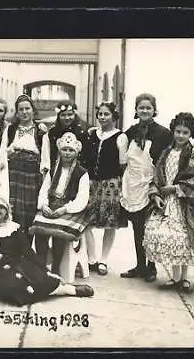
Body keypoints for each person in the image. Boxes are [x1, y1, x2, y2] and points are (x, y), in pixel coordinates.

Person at [120, 93, 194, 282]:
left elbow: (180, 146)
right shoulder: (131, 131)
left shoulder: (164, 133)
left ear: (154, 110)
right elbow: (120, 146)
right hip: (134, 185)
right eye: (141, 107)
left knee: (151, 226)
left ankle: (151, 267)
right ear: (136, 110)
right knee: (137, 226)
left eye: (148, 108)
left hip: (155, 184)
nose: (145, 111)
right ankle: (140, 265)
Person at [142, 113, 194, 293]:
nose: (181, 136)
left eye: (185, 133)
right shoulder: (166, 153)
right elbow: (157, 176)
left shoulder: (192, 154)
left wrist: (175, 188)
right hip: (166, 202)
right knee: (170, 236)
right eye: (178, 132)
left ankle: (185, 278)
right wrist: (156, 194)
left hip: (185, 201)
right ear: (173, 132)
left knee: (186, 237)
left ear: (191, 135)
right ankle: (174, 277)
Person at [0, 195, 94, 307]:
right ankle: (48, 292)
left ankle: (69, 290)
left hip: (19, 265)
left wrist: (46, 270)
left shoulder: (14, 228)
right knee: (10, 288)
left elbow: (28, 252)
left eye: (0, 207)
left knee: (43, 280)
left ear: (6, 210)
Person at [29, 132, 92, 274]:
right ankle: (41, 265)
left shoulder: (82, 173)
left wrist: (65, 209)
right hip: (51, 204)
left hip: (71, 208)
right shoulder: (53, 170)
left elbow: (82, 198)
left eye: (71, 150)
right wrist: (44, 205)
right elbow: (44, 190)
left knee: (58, 230)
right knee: (39, 226)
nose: (67, 153)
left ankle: (56, 267)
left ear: (76, 152)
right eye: (64, 149)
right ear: (60, 150)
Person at [0, 94, 50, 243]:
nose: (24, 112)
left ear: (33, 110)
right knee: (14, 212)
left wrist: (44, 180)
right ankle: (13, 251)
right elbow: (2, 151)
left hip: (32, 176)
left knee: (29, 213)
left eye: (27, 108)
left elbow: (45, 158)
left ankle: (27, 250)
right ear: (17, 112)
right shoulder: (11, 129)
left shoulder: (40, 131)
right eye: (21, 109)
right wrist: (1, 170)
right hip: (13, 174)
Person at [83, 102, 128, 276]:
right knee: (86, 220)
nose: (102, 117)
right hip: (92, 183)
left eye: (106, 114)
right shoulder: (92, 134)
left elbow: (123, 165)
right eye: (100, 114)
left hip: (110, 183)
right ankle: (92, 258)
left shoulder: (120, 137)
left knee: (110, 223)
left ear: (114, 117)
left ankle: (103, 259)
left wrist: (122, 187)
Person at [45, 101, 88, 172]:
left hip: (76, 170)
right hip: (56, 169)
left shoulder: (81, 132)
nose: (67, 118)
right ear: (58, 116)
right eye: (63, 115)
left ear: (75, 115)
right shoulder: (53, 132)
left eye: (70, 114)